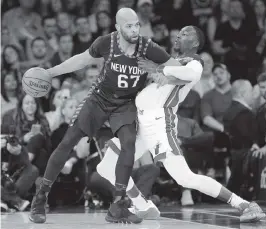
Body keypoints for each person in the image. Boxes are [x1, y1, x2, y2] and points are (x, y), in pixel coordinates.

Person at [29, 8, 187, 224]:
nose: (134, 29)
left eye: (136, 25)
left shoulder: (148, 47)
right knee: (68, 142)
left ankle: (118, 205)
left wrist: (159, 70)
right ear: (118, 27)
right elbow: (80, 60)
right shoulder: (106, 42)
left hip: (126, 103)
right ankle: (40, 196)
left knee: (129, 142)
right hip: (99, 99)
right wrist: (51, 72)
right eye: (128, 25)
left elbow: (180, 71)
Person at [96, 26, 266, 223]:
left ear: (195, 43)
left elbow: (190, 75)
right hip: (139, 124)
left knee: (184, 178)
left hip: (159, 124)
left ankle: (244, 204)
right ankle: (143, 205)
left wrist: (159, 70)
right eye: (178, 33)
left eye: (185, 33)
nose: (179, 35)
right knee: (106, 167)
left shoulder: (194, 61)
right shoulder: (168, 62)